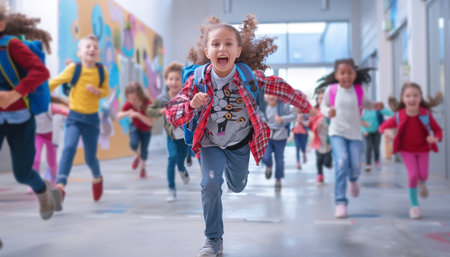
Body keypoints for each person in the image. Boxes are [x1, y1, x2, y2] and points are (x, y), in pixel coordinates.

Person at [165, 15, 315, 257]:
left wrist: (307, 107)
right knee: (210, 183)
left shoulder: (248, 78)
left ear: (238, 50)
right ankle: (213, 239)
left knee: (237, 186)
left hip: (239, 144)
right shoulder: (197, 80)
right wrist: (191, 105)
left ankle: (236, 175)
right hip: (210, 143)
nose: (221, 48)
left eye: (228, 44)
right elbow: (172, 111)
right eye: (215, 44)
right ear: (207, 50)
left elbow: (281, 87)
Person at [0, 8, 58, 220]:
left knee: (22, 173)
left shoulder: (11, 45)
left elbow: (41, 72)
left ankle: (42, 190)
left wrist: (15, 94)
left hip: (20, 118)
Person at [318, 58, 383, 218]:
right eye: (342, 73)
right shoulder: (331, 90)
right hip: (337, 133)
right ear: (337, 75)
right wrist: (328, 112)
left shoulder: (359, 90)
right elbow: (323, 106)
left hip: (354, 134)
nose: (346, 76)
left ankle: (353, 180)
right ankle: (340, 202)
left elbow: (367, 104)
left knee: (354, 166)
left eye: (349, 72)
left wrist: (374, 105)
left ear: (354, 74)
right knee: (341, 162)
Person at [50, 34, 109, 208]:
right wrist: (35, 92)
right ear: (79, 53)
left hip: (92, 120)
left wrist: (98, 91)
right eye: (87, 47)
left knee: (90, 158)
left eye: (95, 47)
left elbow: (106, 90)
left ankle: (97, 178)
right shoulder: (73, 69)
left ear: (98, 53)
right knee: (68, 148)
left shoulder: (101, 71)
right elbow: (54, 83)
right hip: (74, 117)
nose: (91, 49)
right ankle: (60, 186)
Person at [379, 82, 442, 219]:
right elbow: (382, 127)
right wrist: (388, 132)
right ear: (403, 98)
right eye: (408, 96)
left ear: (420, 98)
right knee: (413, 175)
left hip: (423, 149)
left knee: (423, 175)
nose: (412, 99)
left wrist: (435, 138)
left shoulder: (426, 114)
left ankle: (422, 183)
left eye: (415, 95)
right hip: (406, 150)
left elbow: (437, 130)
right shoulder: (399, 115)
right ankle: (414, 206)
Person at [147, 61, 190, 202]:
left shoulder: (186, 96)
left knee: (180, 161)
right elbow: (149, 110)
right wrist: (160, 110)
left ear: (182, 81)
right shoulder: (163, 99)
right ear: (166, 80)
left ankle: (182, 169)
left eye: (177, 79)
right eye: (171, 79)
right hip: (171, 137)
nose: (174, 82)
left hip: (184, 136)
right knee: (172, 159)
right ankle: (171, 189)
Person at [29, 96, 69, 193]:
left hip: (51, 135)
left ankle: (54, 178)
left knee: (51, 161)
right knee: (36, 159)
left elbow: (67, 113)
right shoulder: (31, 107)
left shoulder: (51, 107)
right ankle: (34, 183)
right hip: (38, 134)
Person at [117, 82, 153, 178]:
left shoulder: (148, 104)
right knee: (133, 144)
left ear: (140, 96)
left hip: (146, 129)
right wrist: (127, 112)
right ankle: (138, 154)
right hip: (135, 127)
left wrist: (138, 115)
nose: (132, 101)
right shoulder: (129, 104)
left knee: (144, 149)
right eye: (130, 99)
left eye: (135, 99)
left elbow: (150, 122)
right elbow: (118, 116)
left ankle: (142, 168)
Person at [261, 95, 296, 189]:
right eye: (268, 94)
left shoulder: (284, 106)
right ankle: (269, 165)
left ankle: (278, 180)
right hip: (267, 137)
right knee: (265, 156)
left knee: (279, 160)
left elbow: (293, 115)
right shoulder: (262, 106)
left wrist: (282, 119)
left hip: (280, 137)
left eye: (273, 94)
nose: (271, 97)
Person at [308, 88, 332, 185]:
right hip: (318, 139)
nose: (321, 100)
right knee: (319, 159)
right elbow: (310, 123)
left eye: (323, 98)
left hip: (329, 140)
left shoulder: (330, 110)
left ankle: (328, 163)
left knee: (327, 162)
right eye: (319, 98)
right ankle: (320, 175)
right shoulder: (315, 111)